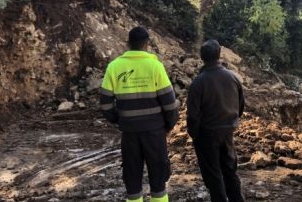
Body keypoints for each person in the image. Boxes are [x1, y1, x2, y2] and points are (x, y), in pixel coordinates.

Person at [100, 26, 179, 202]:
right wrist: (168, 125)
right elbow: (169, 103)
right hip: (154, 132)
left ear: (128, 43)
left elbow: (105, 103)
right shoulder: (155, 66)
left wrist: (118, 119)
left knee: (132, 177)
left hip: (129, 133)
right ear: (146, 44)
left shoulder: (114, 67)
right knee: (158, 178)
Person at [186, 40, 245, 202]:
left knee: (213, 175)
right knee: (229, 171)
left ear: (202, 57)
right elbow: (240, 106)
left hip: (207, 134)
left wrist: (194, 134)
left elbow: (192, 115)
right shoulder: (233, 78)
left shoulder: (199, 82)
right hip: (227, 132)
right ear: (219, 55)